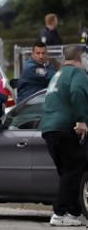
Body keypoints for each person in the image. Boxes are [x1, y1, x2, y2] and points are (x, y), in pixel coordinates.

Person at [40, 45, 88, 227]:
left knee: (68, 173)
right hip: (65, 128)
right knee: (75, 169)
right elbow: (77, 92)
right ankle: (59, 212)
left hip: (49, 129)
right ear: (79, 58)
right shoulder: (77, 74)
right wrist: (82, 120)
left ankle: (74, 212)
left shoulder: (57, 75)